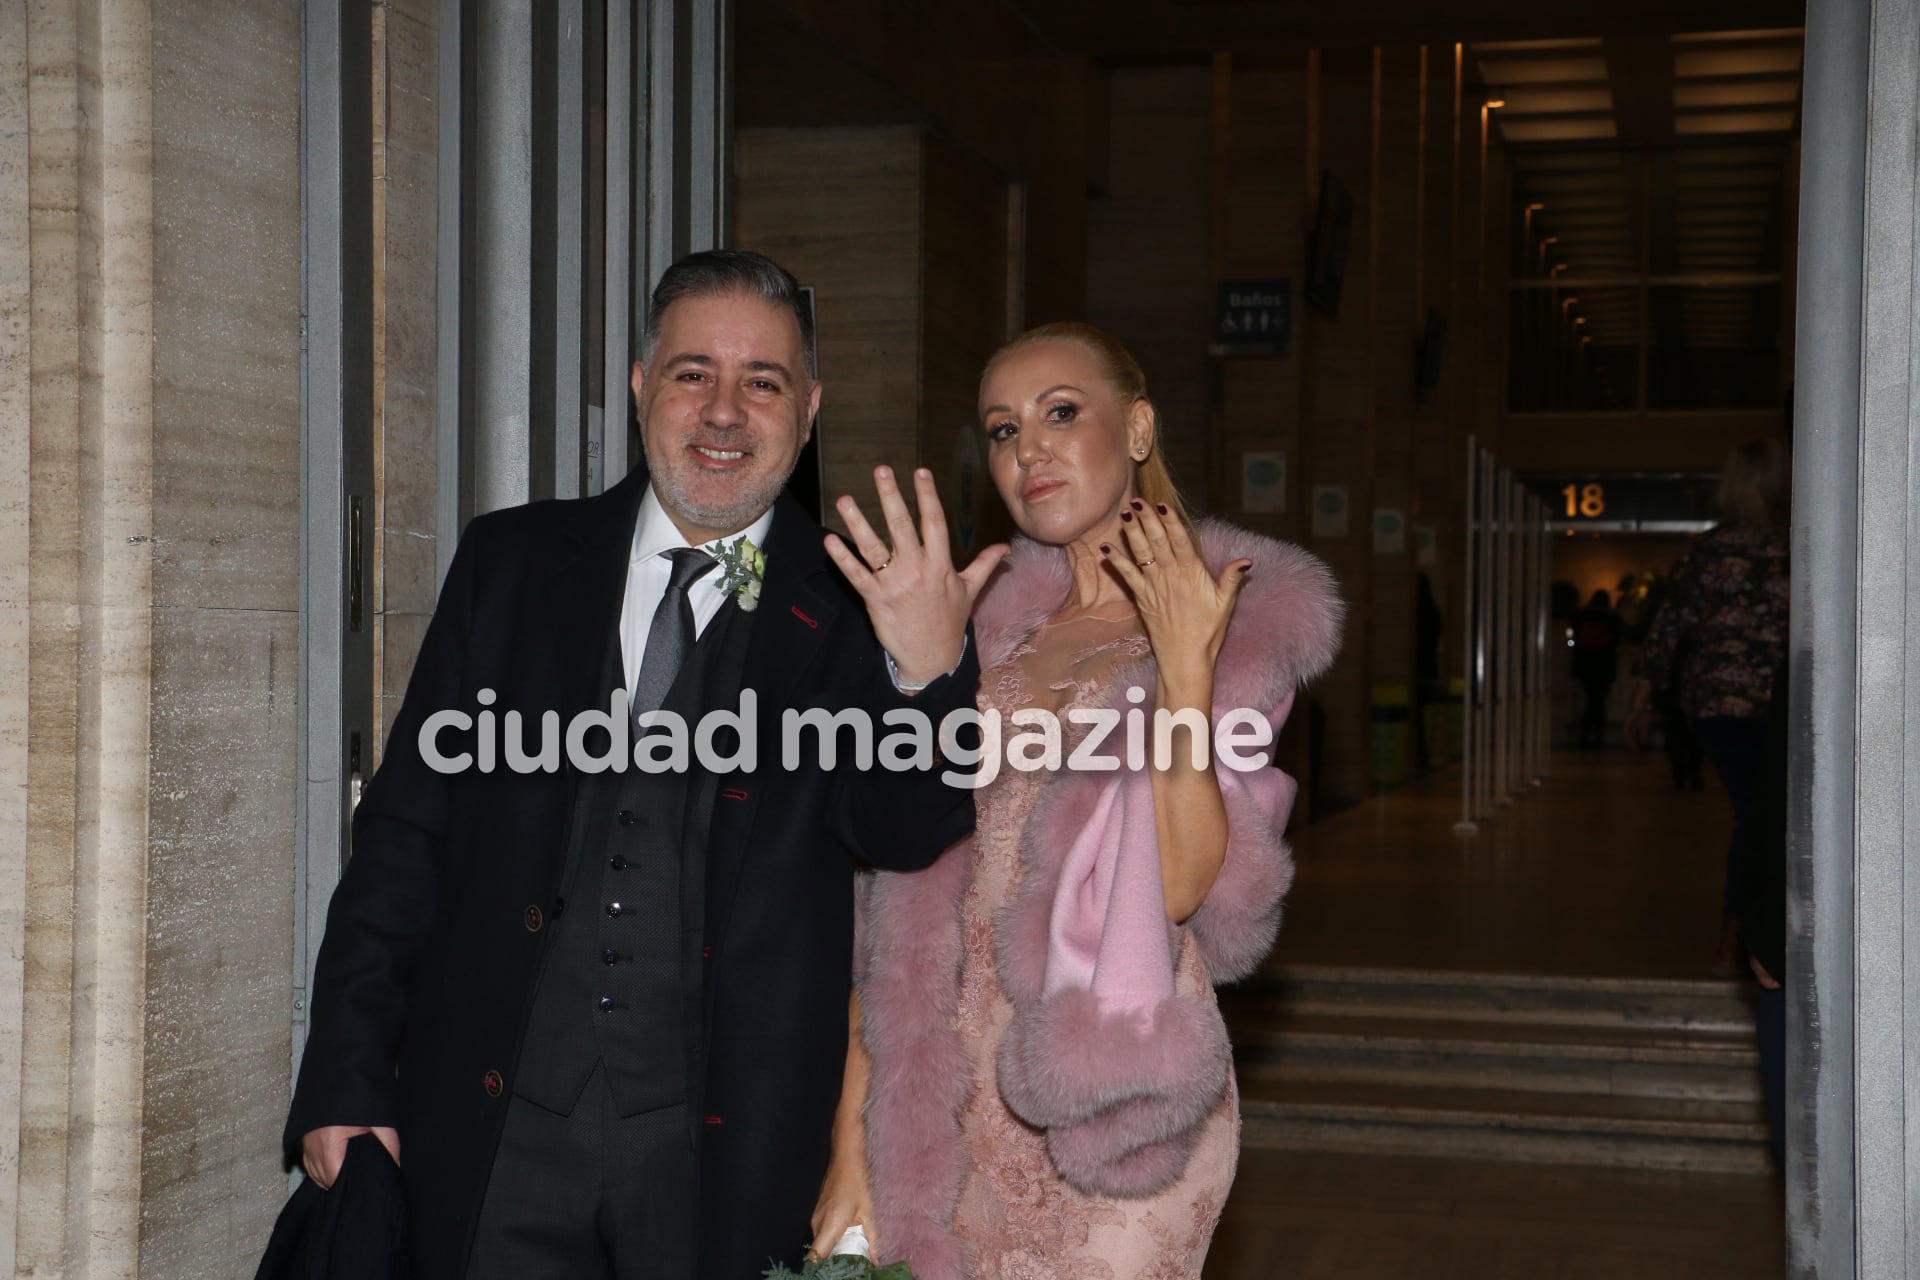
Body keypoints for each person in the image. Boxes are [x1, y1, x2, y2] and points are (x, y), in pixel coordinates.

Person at [283, 250, 1001, 1280]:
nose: (723, 411)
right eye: (691, 372)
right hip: (495, 1131)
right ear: (638, 386)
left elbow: (906, 830)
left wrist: (930, 673)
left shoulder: (859, 611)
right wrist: (347, 1074)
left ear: (808, 411)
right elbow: (406, 836)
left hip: (721, 1158)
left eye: (763, 382)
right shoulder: (513, 565)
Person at [813, 322, 1343, 1278]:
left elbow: (1188, 889)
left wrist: (1184, 668)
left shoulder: (1238, 618)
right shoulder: (977, 627)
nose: (1031, 451)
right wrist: (854, 1141)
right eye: (1004, 430)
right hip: (948, 1104)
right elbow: (891, 903)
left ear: (1138, 429)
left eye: (1061, 413)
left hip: (1116, 1101)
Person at [1626, 435, 1789, 949]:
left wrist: (1641, 701)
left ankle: (1739, 921)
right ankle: (1745, 922)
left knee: (1754, 809)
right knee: (1764, 810)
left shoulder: (1705, 550)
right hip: (1781, 704)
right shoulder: (1798, 546)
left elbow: (1669, 627)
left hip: (1716, 707)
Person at [1569, 589, 1622, 748]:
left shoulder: (1581, 615)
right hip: (1603, 665)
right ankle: (1596, 736)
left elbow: (1572, 636)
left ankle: (1586, 737)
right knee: (1597, 701)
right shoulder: (1613, 617)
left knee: (1592, 700)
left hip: (1585, 664)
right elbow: (1617, 639)